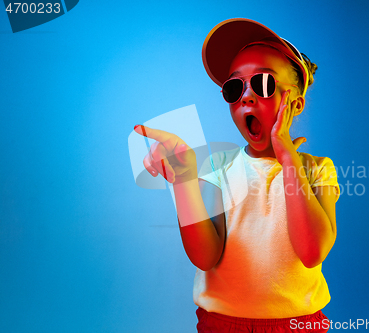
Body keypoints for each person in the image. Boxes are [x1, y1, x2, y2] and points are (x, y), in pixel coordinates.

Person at [134, 18, 340, 333]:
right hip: (221, 323)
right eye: (234, 87)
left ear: (295, 104)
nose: (246, 96)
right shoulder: (217, 167)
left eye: (264, 84)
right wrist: (183, 181)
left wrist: (288, 159)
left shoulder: (317, 169)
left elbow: (312, 253)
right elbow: (205, 256)